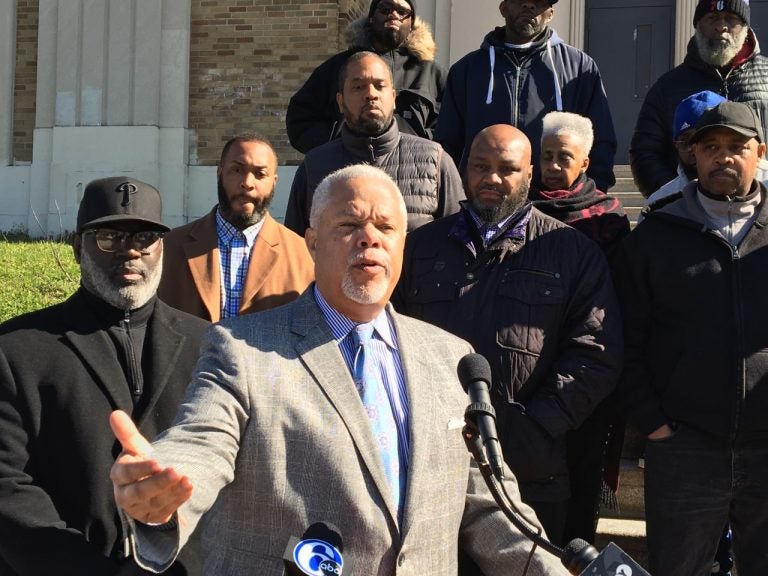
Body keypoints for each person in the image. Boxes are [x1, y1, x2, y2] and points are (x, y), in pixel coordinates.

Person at [108, 165, 569, 576]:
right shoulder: (242, 350)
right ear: (311, 242)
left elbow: (492, 507)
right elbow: (202, 440)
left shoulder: (451, 358)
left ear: (402, 245)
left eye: (386, 227)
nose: (369, 238)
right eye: (349, 225)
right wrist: (164, 489)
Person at [394, 124, 623, 548]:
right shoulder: (420, 250)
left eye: (508, 169)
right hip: (431, 463)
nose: (493, 179)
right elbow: (389, 337)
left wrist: (532, 425)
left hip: (529, 472)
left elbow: (596, 353)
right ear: (464, 169)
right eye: (481, 166)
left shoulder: (571, 253)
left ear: (530, 175)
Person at [0, 177, 207, 575]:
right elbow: (8, 486)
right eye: (108, 238)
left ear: (162, 248)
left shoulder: (209, 346)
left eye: (145, 237)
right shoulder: (16, 350)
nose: (130, 252)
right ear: (77, 248)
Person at [615, 101, 768, 575]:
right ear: (692, 155)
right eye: (711, 147)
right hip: (685, 452)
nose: (724, 157)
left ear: (759, 152)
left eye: (737, 147)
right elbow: (622, 339)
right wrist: (655, 426)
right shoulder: (655, 237)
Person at [531, 111, 630, 545]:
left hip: (586, 367)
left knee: (581, 470)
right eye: (547, 156)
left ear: (585, 163)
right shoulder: (521, 208)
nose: (553, 166)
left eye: (564, 157)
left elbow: (616, 299)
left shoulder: (607, 218)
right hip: (530, 359)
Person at [434, 0, 617, 191]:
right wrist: (453, 198)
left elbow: (600, 140)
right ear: (503, 8)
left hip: (556, 205)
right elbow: (447, 144)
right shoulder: (466, 70)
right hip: (486, 199)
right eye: (520, 0)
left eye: (539, 2)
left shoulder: (579, 68)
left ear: (550, 14)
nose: (529, 6)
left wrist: (592, 195)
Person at [284, 51, 463, 235]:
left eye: (379, 86)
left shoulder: (436, 161)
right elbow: (293, 254)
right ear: (340, 101)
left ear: (393, 97)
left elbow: (459, 244)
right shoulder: (314, 167)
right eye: (358, 87)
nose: (371, 94)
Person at [158, 136, 314, 321]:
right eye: (237, 170)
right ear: (220, 172)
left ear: (274, 181)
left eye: (260, 174)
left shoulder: (304, 256)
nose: (247, 183)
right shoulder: (168, 247)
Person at [630, 0, 768, 197]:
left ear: (746, 27)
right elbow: (645, 153)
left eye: (731, 18)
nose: (721, 26)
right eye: (712, 18)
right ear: (697, 26)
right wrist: (680, 201)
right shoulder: (668, 86)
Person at [286, 0, 445, 153]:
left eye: (402, 11)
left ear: (412, 23)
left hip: (412, 172)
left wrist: (420, 149)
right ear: (370, 18)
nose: (393, 15)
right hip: (348, 172)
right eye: (385, 9)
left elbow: (450, 128)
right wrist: (336, 146)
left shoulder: (431, 74)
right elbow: (299, 121)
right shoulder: (338, 67)